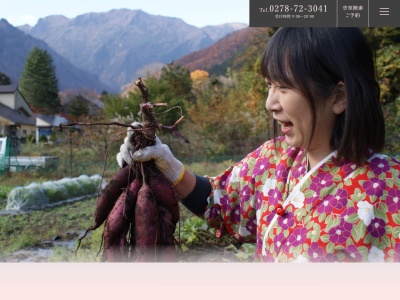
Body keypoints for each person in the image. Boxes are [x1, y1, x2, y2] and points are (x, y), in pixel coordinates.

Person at [117, 27, 400, 262]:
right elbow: (218, 202)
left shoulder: (389, 190)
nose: (270, 104)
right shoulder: (273, 159)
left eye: (285, 87)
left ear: (339, 97)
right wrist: (168, 165)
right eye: (269, 85)